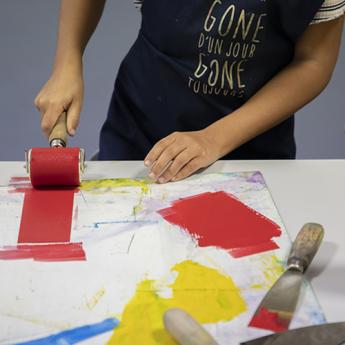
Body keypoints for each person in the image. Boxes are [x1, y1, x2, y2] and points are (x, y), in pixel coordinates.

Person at [35, 0, 345, 183]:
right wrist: (67, 61)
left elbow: (314, 61)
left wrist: (213, 139)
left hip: (250, 156)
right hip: (139, 138)